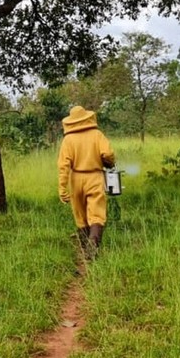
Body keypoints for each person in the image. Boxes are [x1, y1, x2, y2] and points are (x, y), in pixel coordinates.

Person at [57, 105, 115, 260]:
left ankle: (85, 250)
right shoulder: (97, 134)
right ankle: (93, 248)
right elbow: (108, 154)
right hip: (95, 177)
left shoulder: (68, 140)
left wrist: (62, 188)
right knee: (96, 214)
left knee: (80, 214)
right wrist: (109, 162)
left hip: (76, 178)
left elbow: (63, 166)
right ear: (87, 118)